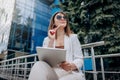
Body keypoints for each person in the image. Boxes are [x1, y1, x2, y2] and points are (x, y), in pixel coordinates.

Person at [28, 11, 85, 80]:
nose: (62, 18)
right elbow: (44, 59)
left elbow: (79, 59)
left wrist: (71, 66)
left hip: (69, 73)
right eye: (59, 17)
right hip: (53, 73)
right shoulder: (47, 39)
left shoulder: (73, 37)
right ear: (54, 23)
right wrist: (51, 40)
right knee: (38, 64)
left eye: (65, 17)